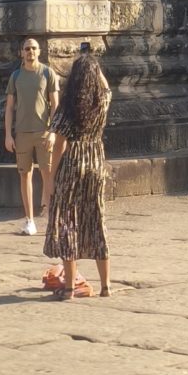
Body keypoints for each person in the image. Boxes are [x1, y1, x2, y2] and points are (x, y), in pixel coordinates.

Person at [43, 41, 112, 299]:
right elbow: (106, 87)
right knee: (96, 219)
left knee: (68, 223)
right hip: (96, 161)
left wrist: (50, 178)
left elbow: (59, 145)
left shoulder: (68, 107)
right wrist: (93, 63)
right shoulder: (102, 102)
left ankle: (70, 287)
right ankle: (105, 286)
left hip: (72, 162)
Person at [3, 36, 61, 236]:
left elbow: (55, 105)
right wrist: (8, 135)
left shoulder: (47, 73)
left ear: (39, 51)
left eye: (34, 48)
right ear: (22, 52)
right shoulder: (16, 76)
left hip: (43, 132)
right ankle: (29, 220)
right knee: (24, 175)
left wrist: (53, 131)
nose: (30, 52)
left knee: (48, 175)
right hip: (22, 133)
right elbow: (9, 107)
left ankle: (52, 219)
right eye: (27, 48)